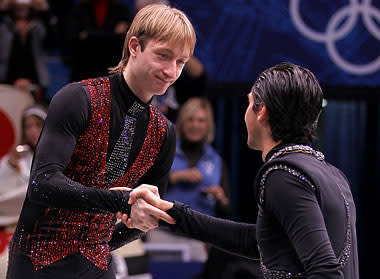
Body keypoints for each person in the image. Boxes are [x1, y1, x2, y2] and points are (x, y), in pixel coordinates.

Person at [6, 4, 196, 279]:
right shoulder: (78, 99)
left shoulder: (164, 132)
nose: (171, 71)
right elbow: (42, 184)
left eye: (181, 62)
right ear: (134, 46)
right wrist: (119, 201)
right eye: (163, 56)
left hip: (95, 265)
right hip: (37, 263)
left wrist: (100, 244)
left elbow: (148, 214)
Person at [128, 62, 359, 279]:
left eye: (249, 103)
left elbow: (325, 270)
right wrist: (172, 212)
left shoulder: (284, 174)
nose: (245, 112)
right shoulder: (333, 174)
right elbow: (256, 241)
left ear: (262, 112)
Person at [146, 97, 230, 261]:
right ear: (182, 122)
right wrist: (174, 178)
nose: (195, 125)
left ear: (208, 125)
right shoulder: (165, 153)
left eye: (201, 120)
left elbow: (226, 210)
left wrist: (220, 198)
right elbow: (144, 190)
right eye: (190, 119)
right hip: (164, 235)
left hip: (200, 238)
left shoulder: (216, 160)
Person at [0, 104, 47, 278]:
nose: (33, 131)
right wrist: (10, 165)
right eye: (28, 126)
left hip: (49, 232)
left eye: (38, 124)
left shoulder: (64, 153)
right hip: (16, 231)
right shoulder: (18, 159)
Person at [0, 0, 57, 104]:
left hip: (36, 83)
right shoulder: (3, 25)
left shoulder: (40, 25)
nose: (21, 6)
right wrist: (2, 9)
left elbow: (53, 43)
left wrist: (46, 12)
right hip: (6, 83)